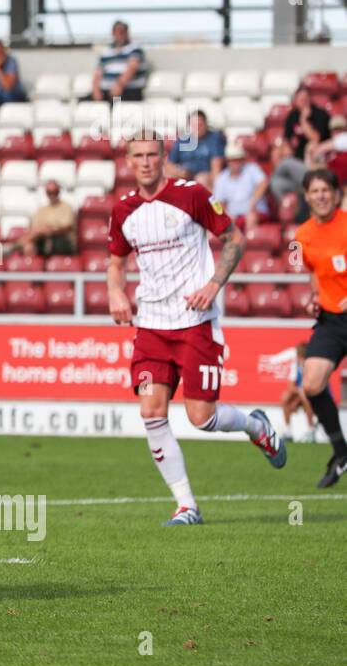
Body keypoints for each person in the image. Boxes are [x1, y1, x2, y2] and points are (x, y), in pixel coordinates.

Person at [107, 134, 285, 527]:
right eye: (138, 156)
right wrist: (115, 290)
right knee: (152, 412)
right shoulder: (123, 210)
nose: (146, 162)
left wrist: (213, 285)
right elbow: (116, 261)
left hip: (195, 323)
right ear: (128, 161)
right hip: (151, 325)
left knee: (201, 417)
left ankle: (255, 425)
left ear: (164, 156)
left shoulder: (192, 195)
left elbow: (233, 239)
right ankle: (187, 505)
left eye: (153, 154)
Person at [291, 169, 347, 488]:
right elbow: (313, 271)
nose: (321, 195)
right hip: (331, 320)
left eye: (326, 189)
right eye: (315, 191)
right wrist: (314, 297)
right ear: (306, 196)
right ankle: (341, 452)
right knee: (311, 383)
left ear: (336, 194)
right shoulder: (302, 234)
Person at [211, 139, 271, 236]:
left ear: (243, 159)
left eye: (238, 159)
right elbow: (217, 202)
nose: (235, 162)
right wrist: (226, 214)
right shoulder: (221, 178)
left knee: (251, 218)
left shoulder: (252, 169)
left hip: (255, 212)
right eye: (233, 159)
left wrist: (253, 202)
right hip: (234, 215)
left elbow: (263, 183)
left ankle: (250, 250)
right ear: (228, 161)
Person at [10, 181, 76, 257]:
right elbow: (35, 228)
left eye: (54, 192)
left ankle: (15, 246)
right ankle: (30, 265)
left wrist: (50, 229)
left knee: (45, 240)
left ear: (58, 192)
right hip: (42, 239)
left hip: (61, 240)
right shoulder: (42, 210)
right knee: (29, 247)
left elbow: (67, 226)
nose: (52, 195)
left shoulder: (67, 207)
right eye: (49, 192)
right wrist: (44, 230)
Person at [89, 20, 147, 102]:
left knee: (116, 102)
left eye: (123, 32)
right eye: (118, 32)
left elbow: (132, 68)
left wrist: (119, 85)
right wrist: (96, 90)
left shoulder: (134, 48)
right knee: (83, 102)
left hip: (125, 92)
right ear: (113, 33)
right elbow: (97, 73)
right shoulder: (106, 52)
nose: (120, 35)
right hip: (105, 92)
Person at [166, 111, 225, 187]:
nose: (197, 128)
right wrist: (178, 172)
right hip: (185, 174)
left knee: (201, 179)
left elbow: (217, 164)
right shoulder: (183, 140)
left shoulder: (214, 138)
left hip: (205, 175)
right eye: (194, 125)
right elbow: (169, 163)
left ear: (206, 124)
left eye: (200, 125)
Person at [280, 344, 316, 443]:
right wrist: (298, 396)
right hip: (302, 393)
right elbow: (291, 386)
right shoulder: (295, 365)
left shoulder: (312, 366)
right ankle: (288, 432)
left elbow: (311, 387)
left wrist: (296, 402)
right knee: (285, 397)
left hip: (314, 395)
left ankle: (311, 431)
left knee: (305, 397)